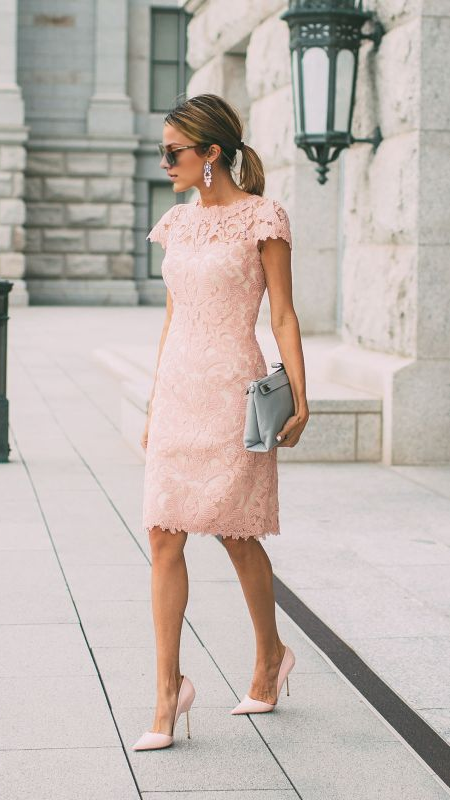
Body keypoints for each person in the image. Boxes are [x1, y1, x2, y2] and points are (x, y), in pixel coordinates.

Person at [132, 93, 309, 752]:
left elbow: (284, 315)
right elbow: (173, 318)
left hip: (235, 392)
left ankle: (269, 658)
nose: (164, 162)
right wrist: (155, 400)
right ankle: (166, 691)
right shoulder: (175, 222)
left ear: (211, 153)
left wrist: (298, 393)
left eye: (173, 151)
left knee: (236, 535)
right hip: (180, 392)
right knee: (162, 536)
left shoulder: (263, 219)